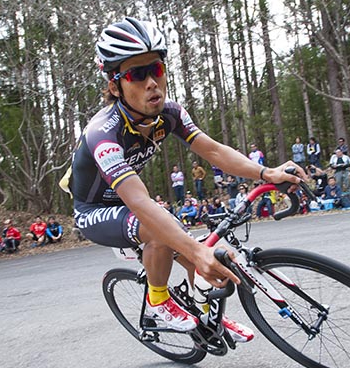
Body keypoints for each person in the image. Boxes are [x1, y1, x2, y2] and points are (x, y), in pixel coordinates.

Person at [71, 17, 301, 339]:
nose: (152, 82)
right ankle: (158, 302)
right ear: (114, 85)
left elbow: (216, 152)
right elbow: (137, 201)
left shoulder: (170, 113)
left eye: (157, 69)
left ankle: (210, 323)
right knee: (167, 234)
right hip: (95, 211)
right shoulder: (102, 133)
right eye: (137, 74)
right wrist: (194, 250)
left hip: (133, 207)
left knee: (198, 252)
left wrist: (267, 172)